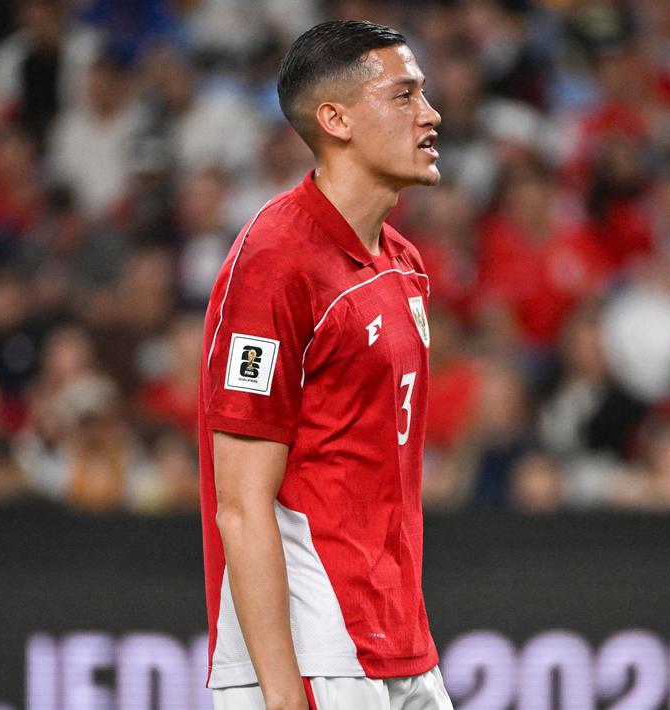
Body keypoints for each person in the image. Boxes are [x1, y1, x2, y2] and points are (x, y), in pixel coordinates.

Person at [198, 20, 452, 710]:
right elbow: (241, 505)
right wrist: (282, 695)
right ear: (334, 119)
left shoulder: (402, 262)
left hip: (398, 635)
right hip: (315, 648)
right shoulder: (274, 263)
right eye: (403, 97)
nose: (429, 115)